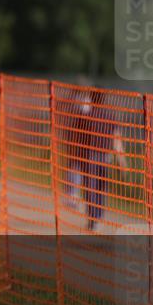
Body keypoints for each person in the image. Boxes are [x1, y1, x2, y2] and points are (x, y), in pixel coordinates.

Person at [64, 87, 128, 231]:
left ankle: (93, 218)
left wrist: (73, 155)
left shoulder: (85, 116)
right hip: (105, 157)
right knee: (101, 188)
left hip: (89, 156)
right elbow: (116, 140)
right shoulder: (110, 116)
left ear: (92, 98)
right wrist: (122, 161)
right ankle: (97, 217)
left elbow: (76, 137)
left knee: (91, 188)